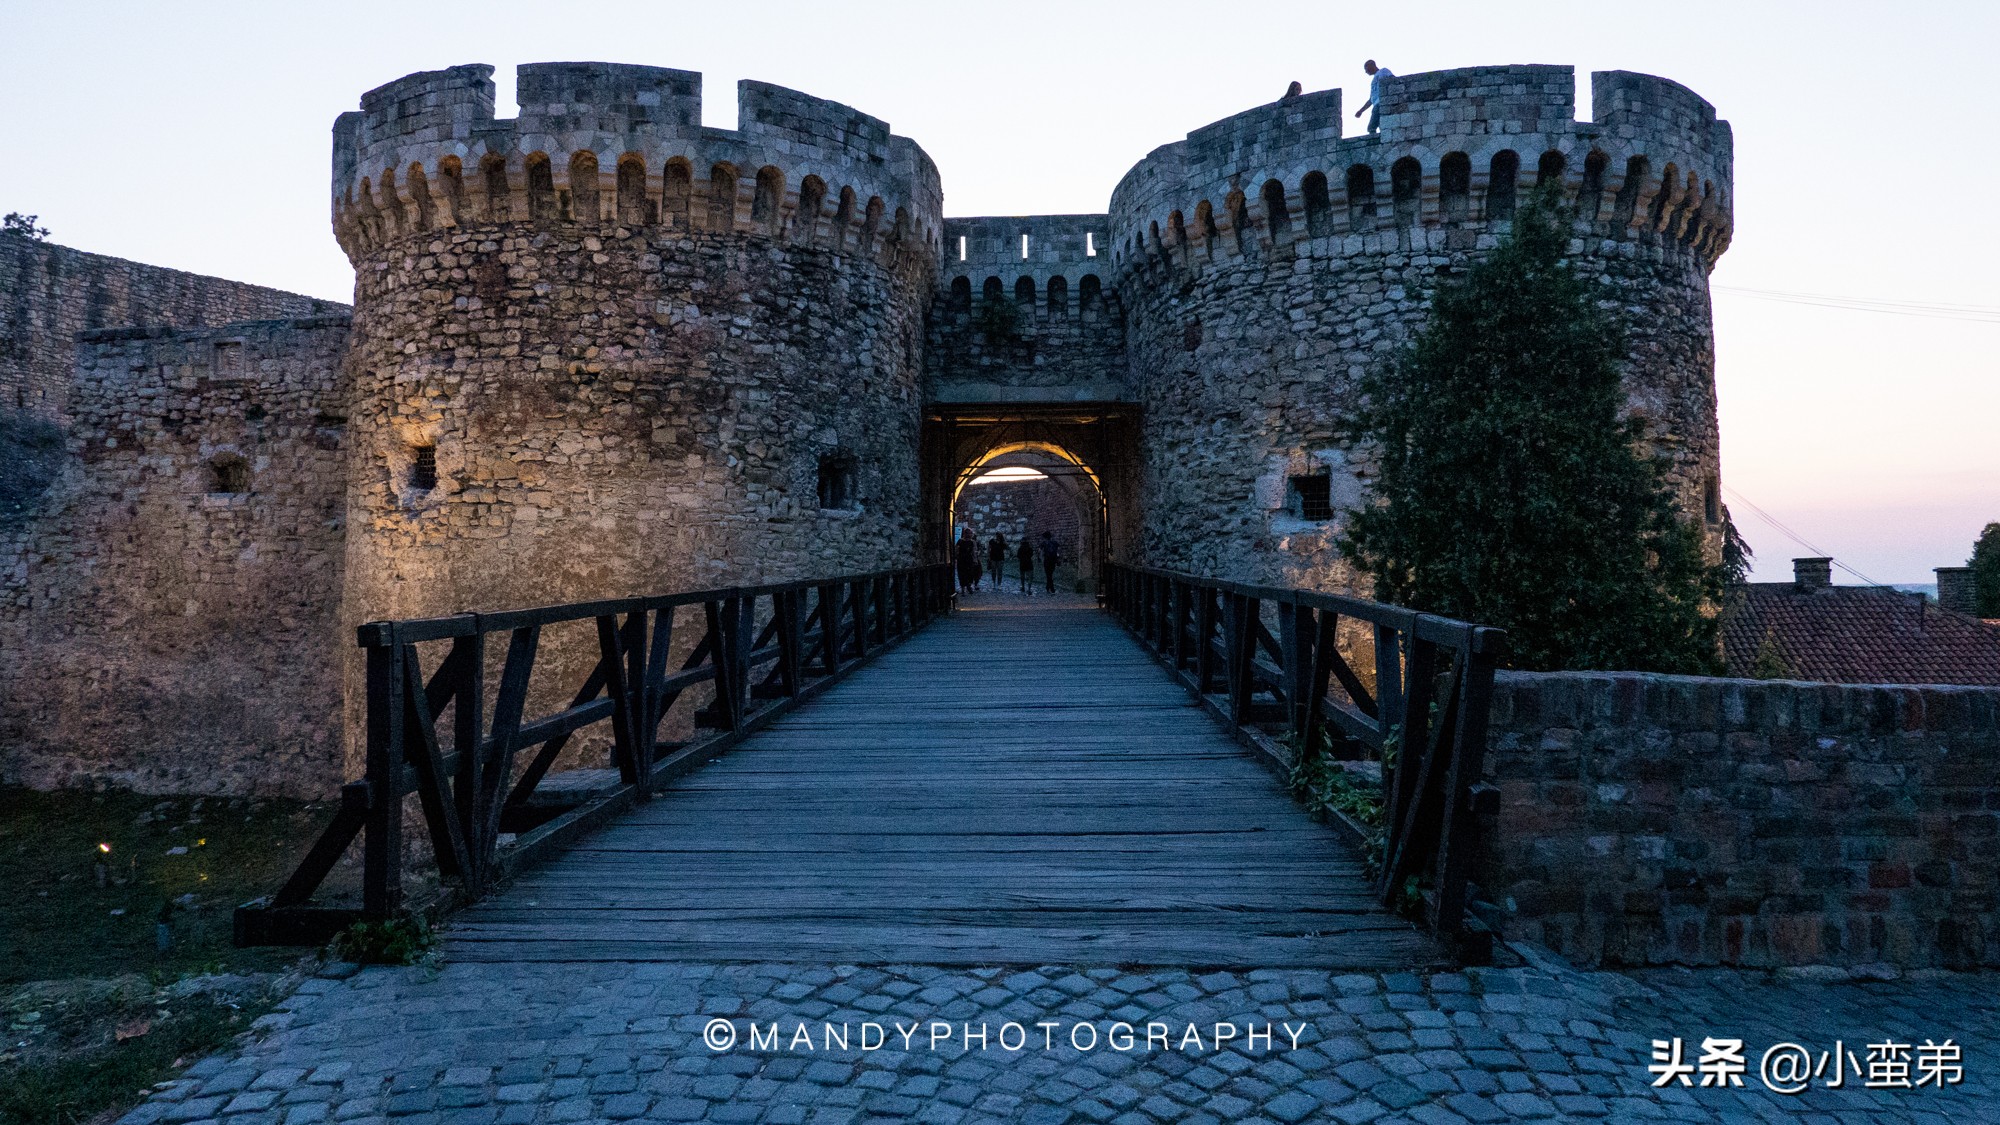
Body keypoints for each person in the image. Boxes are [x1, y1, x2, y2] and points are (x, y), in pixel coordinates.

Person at [1353, 60, 1393, 134]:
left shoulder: (1383, 71)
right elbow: (1371, 100)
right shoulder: (1373, 81)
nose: (1366, 71)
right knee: (1382, 126)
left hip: (1381, 103)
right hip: (1377, 104)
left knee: (1371, 127)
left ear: (1372, 65)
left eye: (1366, 68)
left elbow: (1393, 81)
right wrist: (1361, 111)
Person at [954, 527, 981, 594]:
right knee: (962, 574)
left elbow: (974, 552)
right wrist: (956, 557)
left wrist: (975, 560)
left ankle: (967, 586)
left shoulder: (972, 542)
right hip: (963, 560)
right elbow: (956, 550)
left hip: (968, 560)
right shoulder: (960, 541)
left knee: (969, 574)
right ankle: (964, 588)